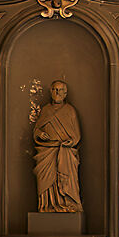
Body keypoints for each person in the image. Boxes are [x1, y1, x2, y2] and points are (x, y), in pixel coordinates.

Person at [31, 81, 82, 211]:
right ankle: (47, 205)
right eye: (54, 90)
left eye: (60, 90)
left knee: (66, 178)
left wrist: (70, 142)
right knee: (45, 180)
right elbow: (37, 129)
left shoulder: (70, 111)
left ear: (65, 93)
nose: (57, 93)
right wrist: (39, 134)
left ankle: (67, 204)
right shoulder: (46, 110)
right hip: (46, 152)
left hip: (64, 151)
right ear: (51, 91)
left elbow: (76, 135)